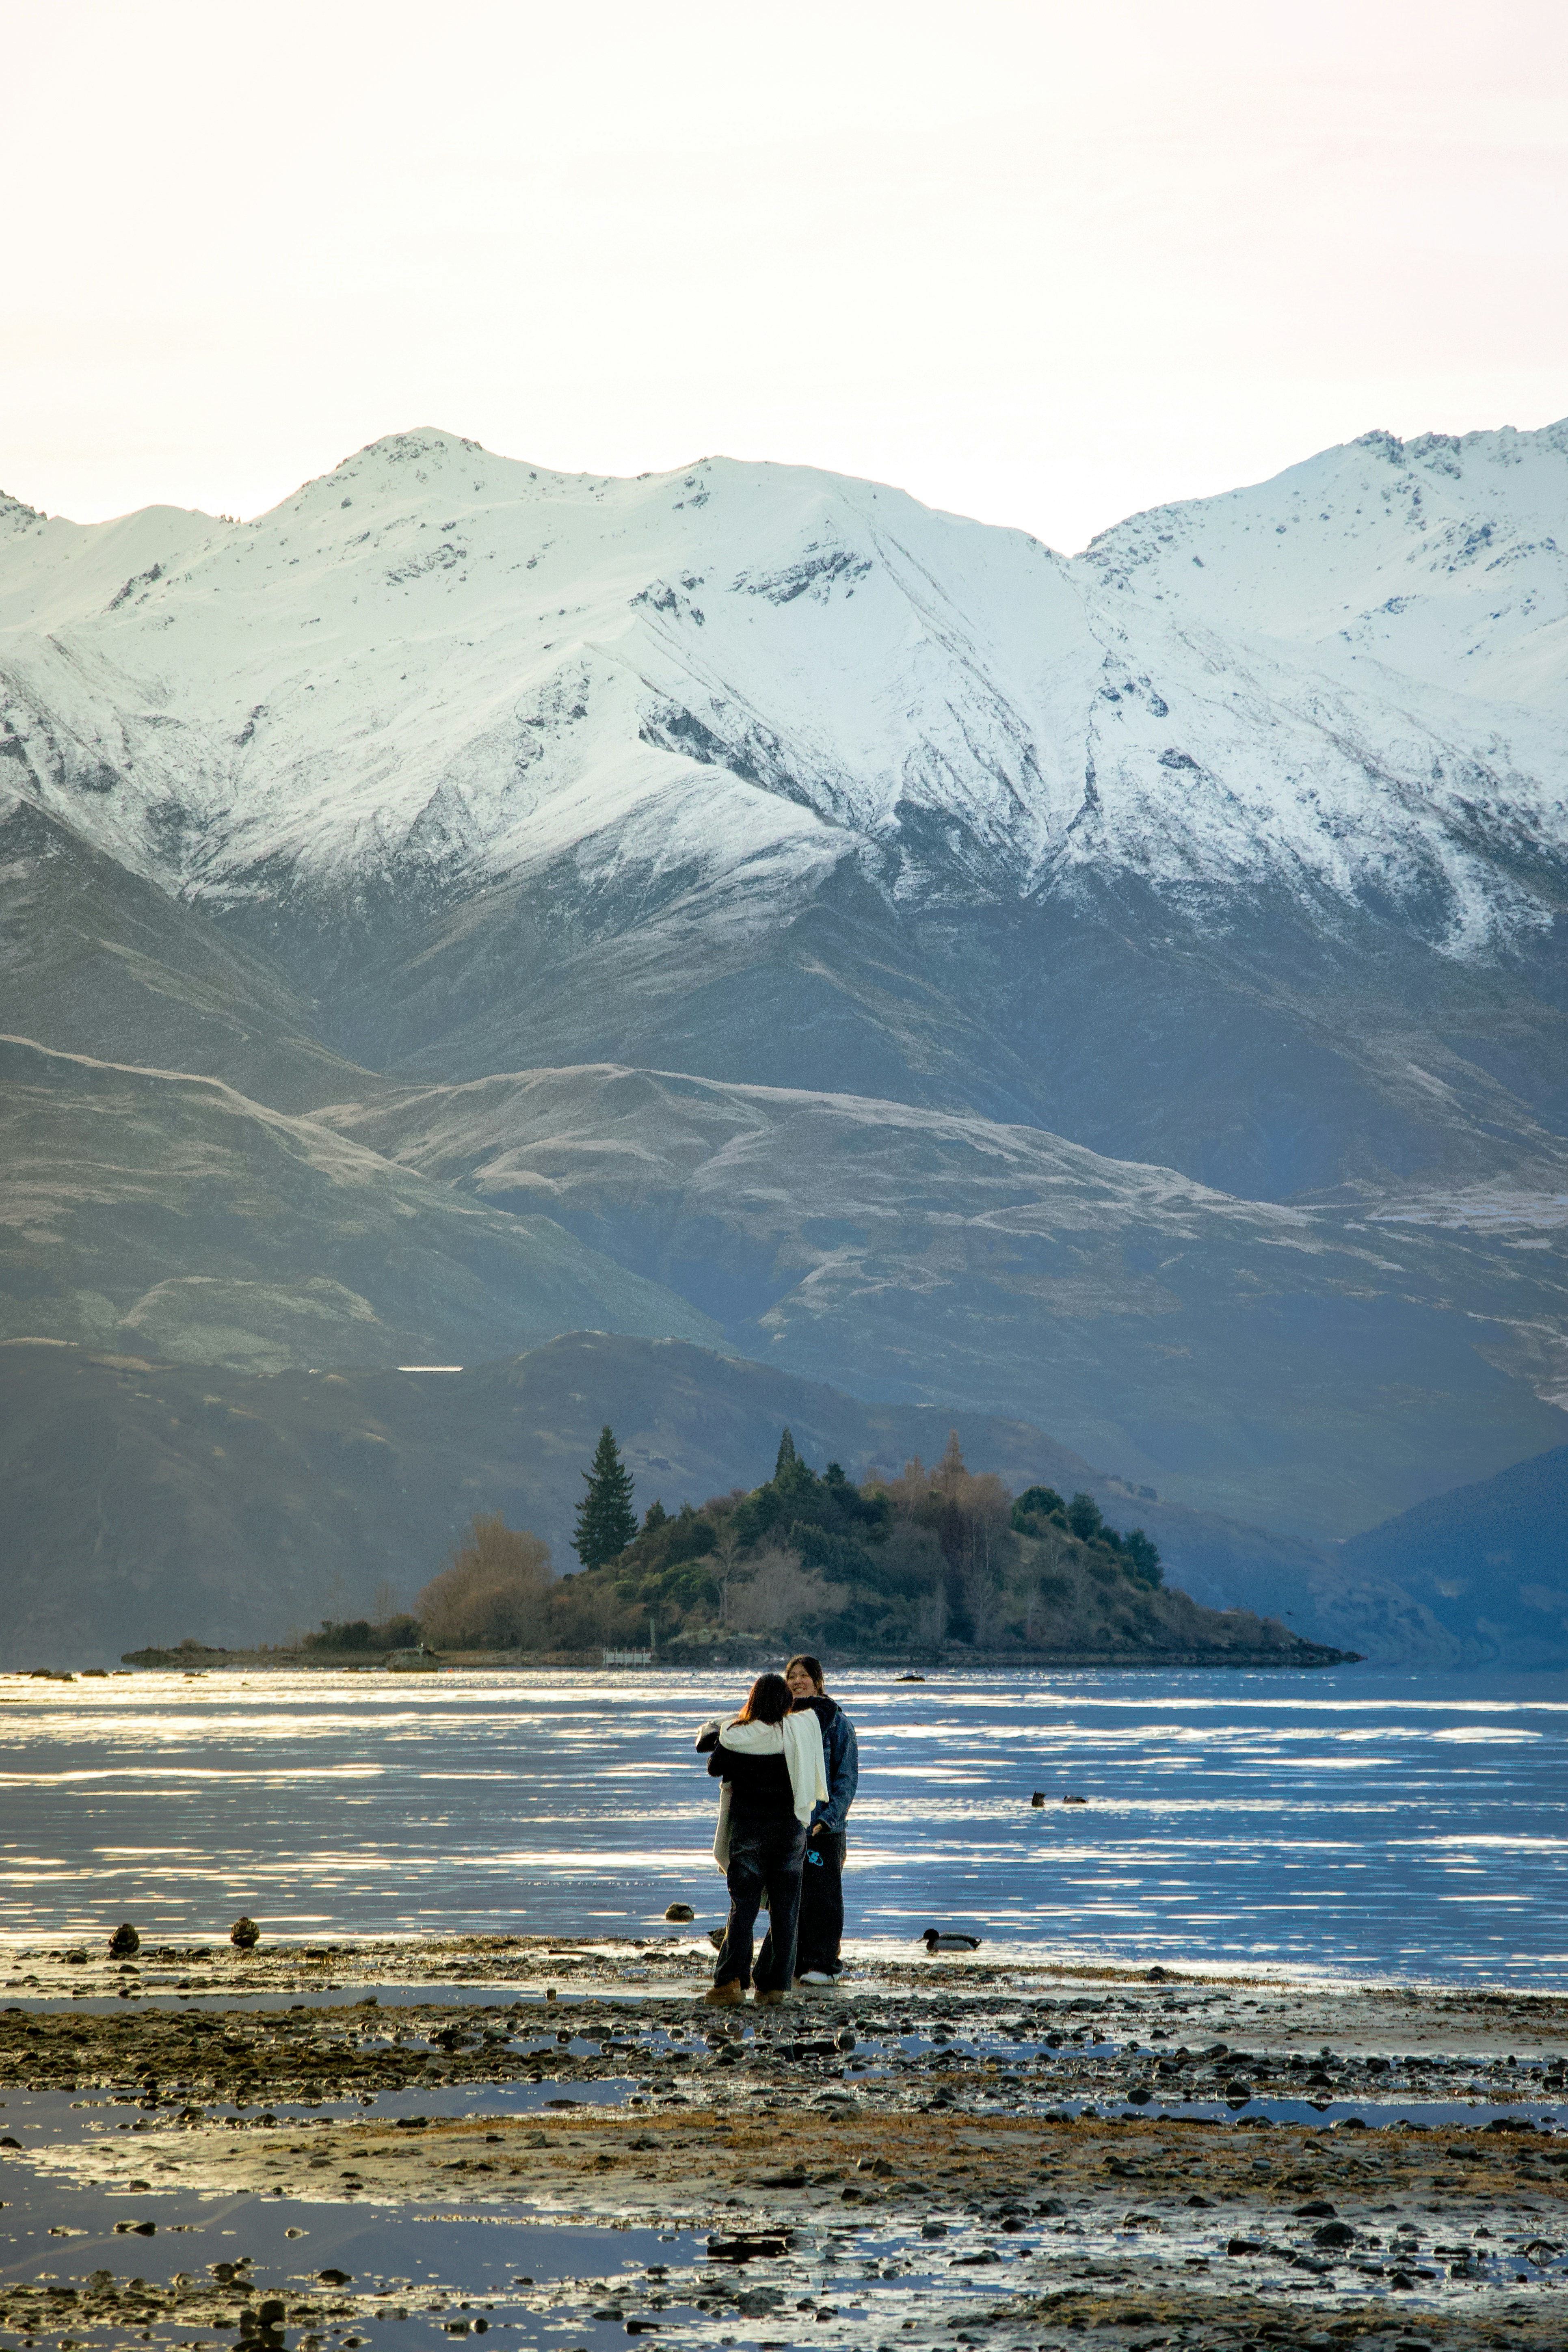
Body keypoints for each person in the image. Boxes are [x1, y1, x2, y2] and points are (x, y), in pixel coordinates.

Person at [696, 1671, 826, 2006]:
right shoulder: (798, 1732)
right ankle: (773, 1988)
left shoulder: (736, 1735)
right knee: (785, 1913)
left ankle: (730, 1984)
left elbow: (714, 1767)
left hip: (748, 1833)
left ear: (752, 1700)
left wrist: (731, 1724)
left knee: (744, 1911)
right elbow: (826, 1710)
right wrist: (798, 1703)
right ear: (786, 1703)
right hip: (789, 1834)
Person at [762, 1653, 858, 1987]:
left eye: (804, 1676)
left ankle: (825, 1964)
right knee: (787, 1899)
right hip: (788, 1828)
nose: (797, 1682)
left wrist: (828, 1820)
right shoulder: (779, 1723)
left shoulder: (838, 1724)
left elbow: (846, 1780)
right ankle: (793, 1962)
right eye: (791, 1677)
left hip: (824, 1829)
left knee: (824, 1899)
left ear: (818, 1682)